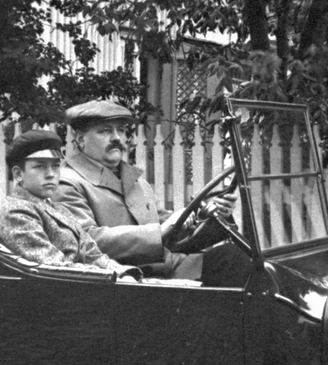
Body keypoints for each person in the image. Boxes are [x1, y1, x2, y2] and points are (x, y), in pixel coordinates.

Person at [54, 100, 231, 280]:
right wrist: (160, 231)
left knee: (237, 256)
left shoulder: (135, 181)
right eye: (105, 131)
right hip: (125, 278)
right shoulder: (66, 182)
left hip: (171, 269)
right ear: (80, 139)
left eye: (121, 130)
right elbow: (84, 241)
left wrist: (203, 216)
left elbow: (169, 229)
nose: (116, 138)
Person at [0, 129, 139, 280]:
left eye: (56, 166)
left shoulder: (59, 209)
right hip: (63, 288)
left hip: (87, 283)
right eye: (40, 167)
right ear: (18, 174)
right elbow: (52, 266)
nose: (51, 174)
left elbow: (93, 255)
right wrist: (114, 277)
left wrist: (124, 273)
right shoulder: (17, 212)